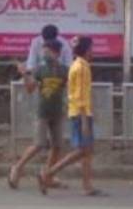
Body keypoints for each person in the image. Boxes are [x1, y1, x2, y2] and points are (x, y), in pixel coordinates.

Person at [39, 36, 104, 197]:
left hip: (79, 111)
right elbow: (80, 95)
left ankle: (87, 185)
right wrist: (84, 120)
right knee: (82, 150)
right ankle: (48, 173)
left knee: (87, 151)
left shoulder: (77, 65)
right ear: (87, 49)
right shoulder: (82, 68)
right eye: (91, 48)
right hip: (80, 113)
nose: (93, 51)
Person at [7, 38, 69, 190]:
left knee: (57, 146)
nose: (45, 53)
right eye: (44, 50)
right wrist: (25, 75)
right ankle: (17, 168)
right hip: (42, 111)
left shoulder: (63, 70)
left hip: (57, 112)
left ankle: (47, 175)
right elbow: (30, 89)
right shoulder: (40, 69)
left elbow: (67, 88)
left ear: (57, 53)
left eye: (49, 51)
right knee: (39, 144)